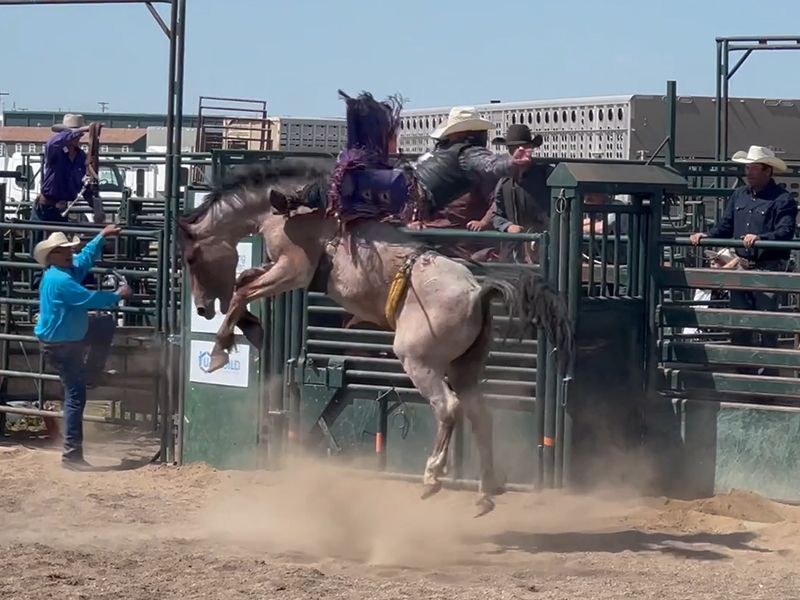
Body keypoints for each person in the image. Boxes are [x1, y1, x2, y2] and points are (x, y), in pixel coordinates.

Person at [689, 145, 797, 374]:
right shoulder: (740, 195)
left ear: (767, 170)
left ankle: (768, 376)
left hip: (768, 269)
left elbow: (785, 232)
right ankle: (745, 373)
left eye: (753, 168)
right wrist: (708, 236)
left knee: (766, 323)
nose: (748, 172)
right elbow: (726, 226)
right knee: (740, 323)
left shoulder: (782, 199)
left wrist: (761, 238)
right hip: (743, 267)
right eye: (747, 168)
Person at [34, 224, 131, 469]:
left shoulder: (62, 272)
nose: (68, 253)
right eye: (62, 250)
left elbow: (84, 259)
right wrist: (118, 295)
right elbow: (88, 299)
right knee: (76, 397)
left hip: (65, 340)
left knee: (102, 326)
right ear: (52, 256)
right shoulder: (61, 280)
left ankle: (91, 373)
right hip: (62, 345)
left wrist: (100, 236)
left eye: (68, 249)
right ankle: (71, 455)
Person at [412, 106, 533, 219]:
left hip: (412, 194)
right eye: (481, 131)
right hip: (420, 201)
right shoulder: (467, 152)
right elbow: (489, 164)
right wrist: (512, 162)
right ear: (468, 133)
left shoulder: (440, 150)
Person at [474, 123, 549, 263]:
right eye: (514, 148)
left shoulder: (547, 176)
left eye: (525, 147)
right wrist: (507, 226)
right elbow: (497, 213)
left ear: (531, 149)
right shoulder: (504, 181)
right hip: (512, 253)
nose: (520, 151)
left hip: (543, 251)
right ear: (509, 150)